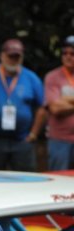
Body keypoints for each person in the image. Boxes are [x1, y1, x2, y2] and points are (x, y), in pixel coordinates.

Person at [0, 38, 46, 171]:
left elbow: (42, 108)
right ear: (2, 55)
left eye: (17, 56)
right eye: (10, 56)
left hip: (22, 141)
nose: (13, 59)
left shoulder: (32, 78)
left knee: (25, 179)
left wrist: (33, 134)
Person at [44, 35, 74, 170]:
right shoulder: (53, 77)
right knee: (59, 181)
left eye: (72, 53)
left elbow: (60, 104)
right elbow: (55, 108)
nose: (68, 56)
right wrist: (59, 103)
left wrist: (66, 99)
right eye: (65, 53)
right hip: (60, 140)